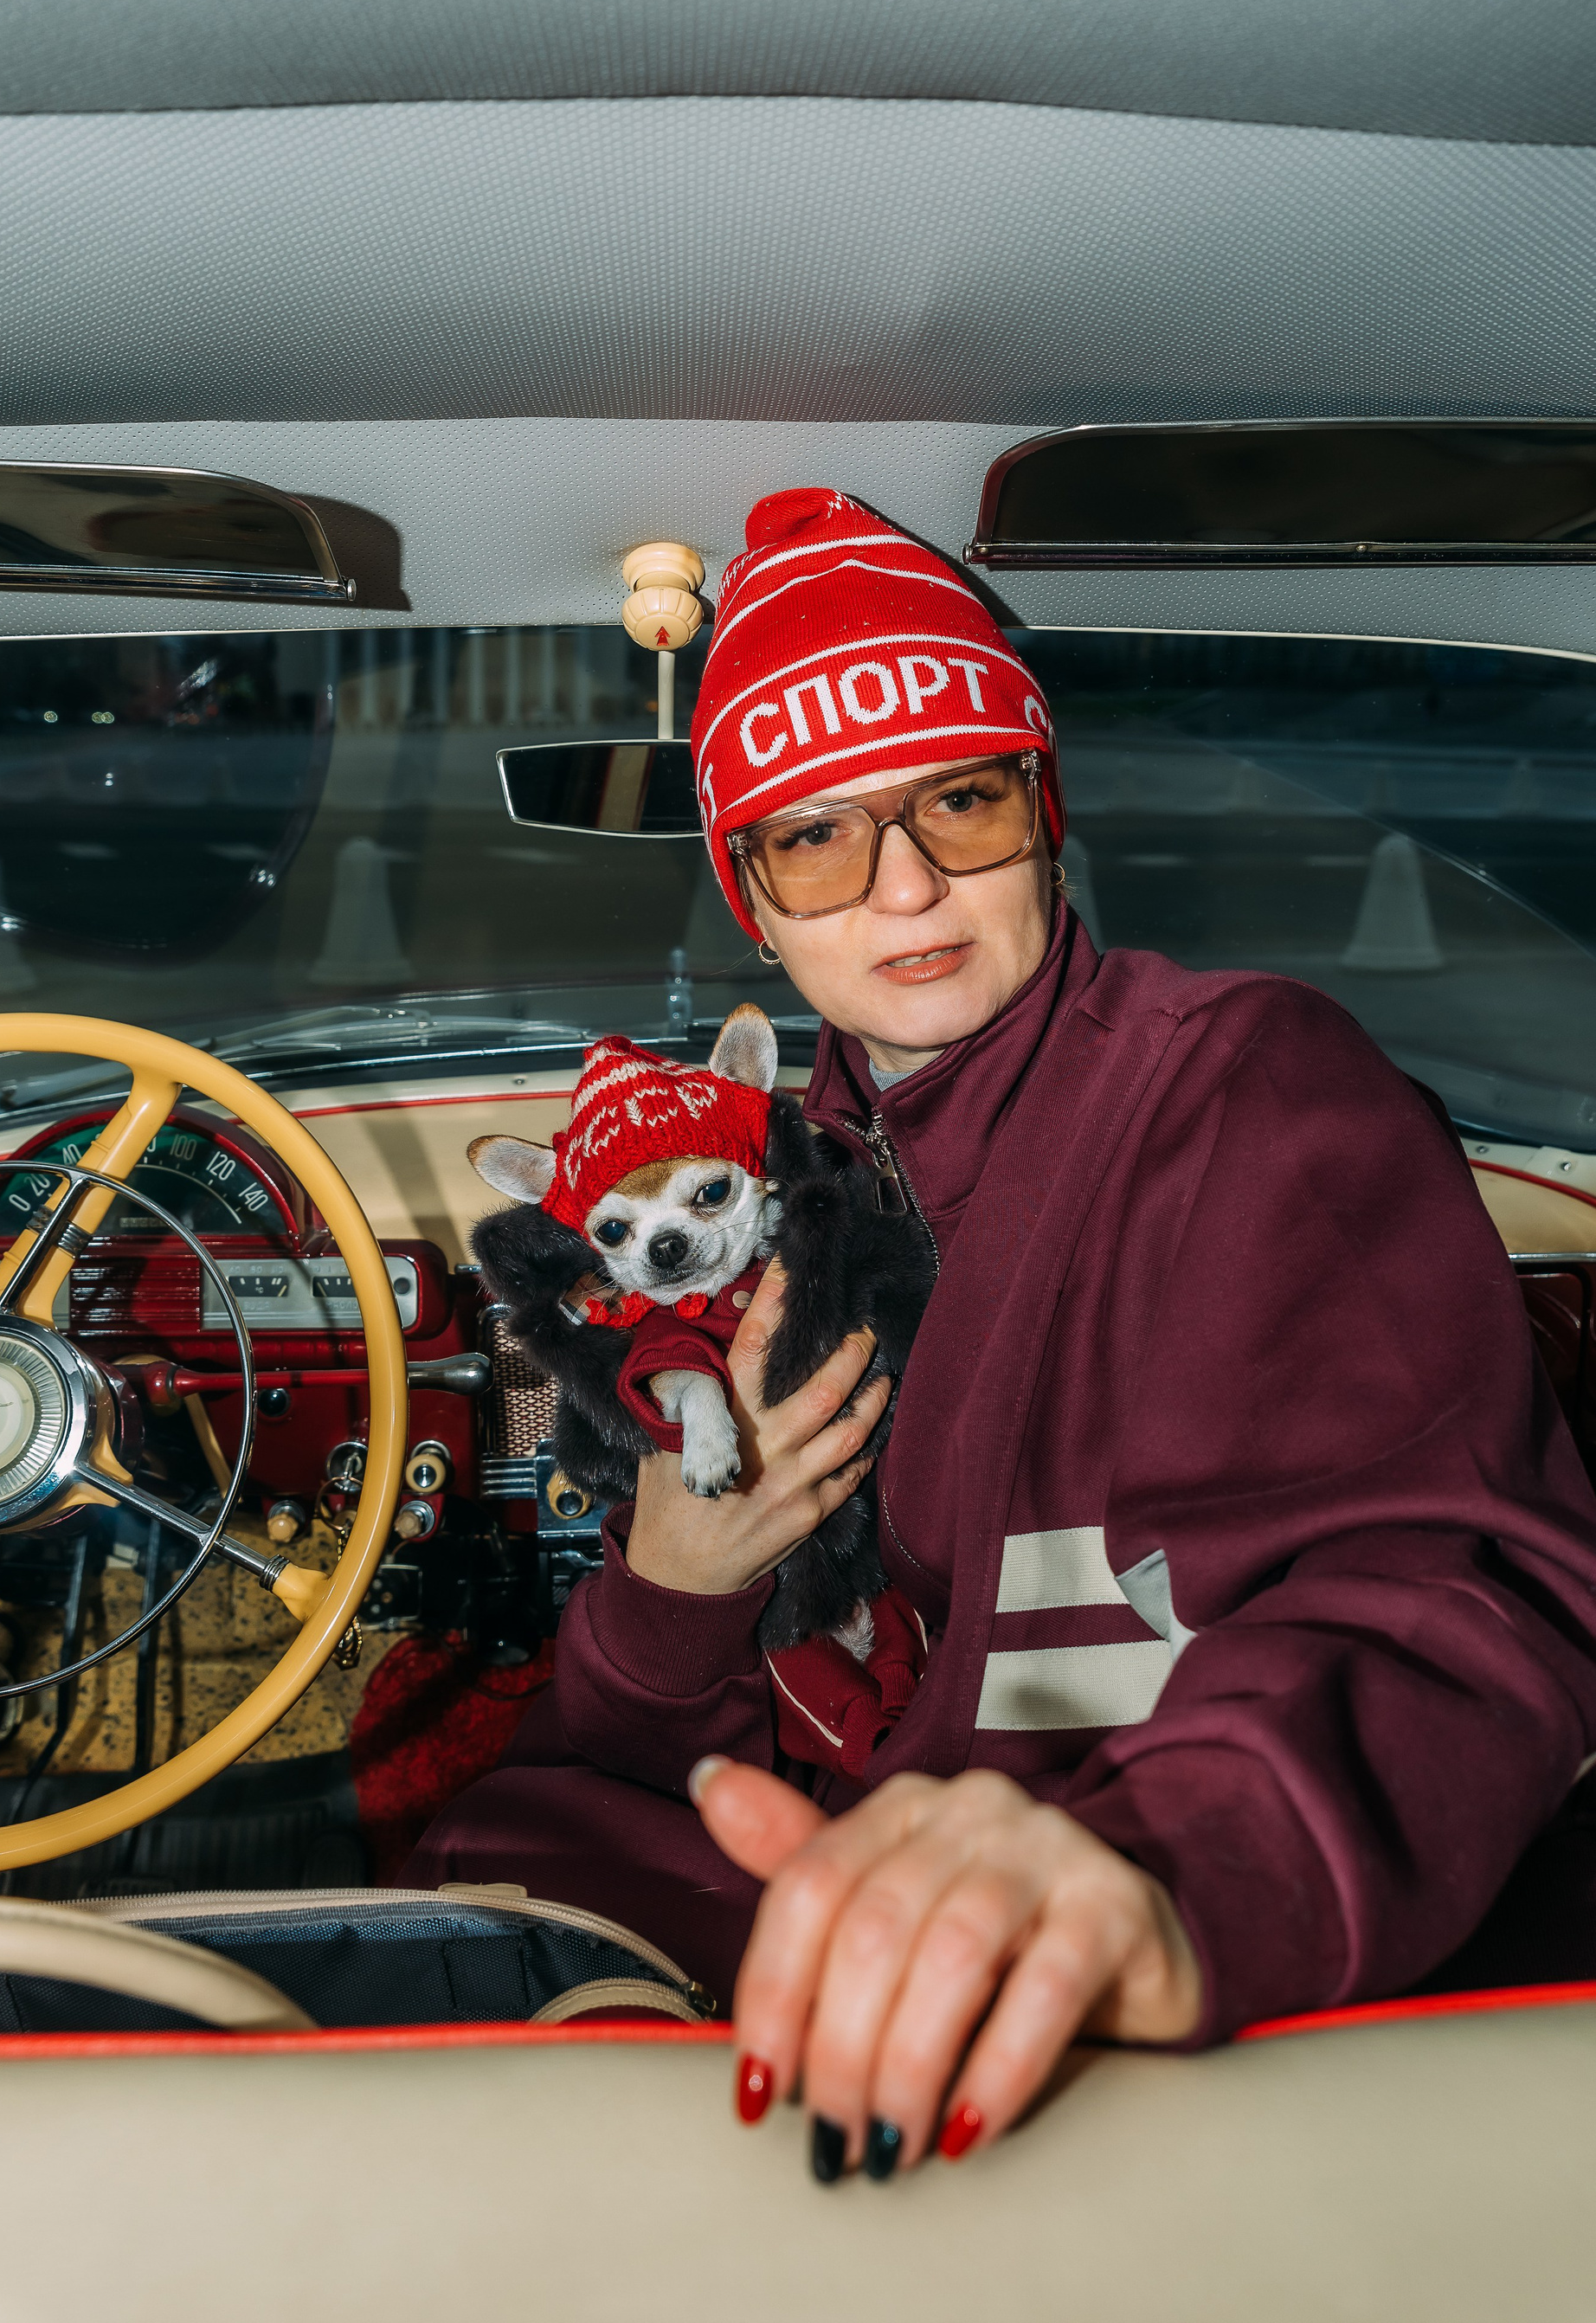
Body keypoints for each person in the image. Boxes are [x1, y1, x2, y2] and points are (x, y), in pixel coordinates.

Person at [409, 486, 1596, 2182]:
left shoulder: (1250, 1091)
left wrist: (1164, 1876)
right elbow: (623, 1760)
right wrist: (673, 1586)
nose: (905, 887)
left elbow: (1446, 1598)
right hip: (804, 1913)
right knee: (466, 1876)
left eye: (959, 802)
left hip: (1135, 1957)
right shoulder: (762, 1193)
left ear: (1044, 812)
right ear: (751, 897)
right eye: (819, 837)